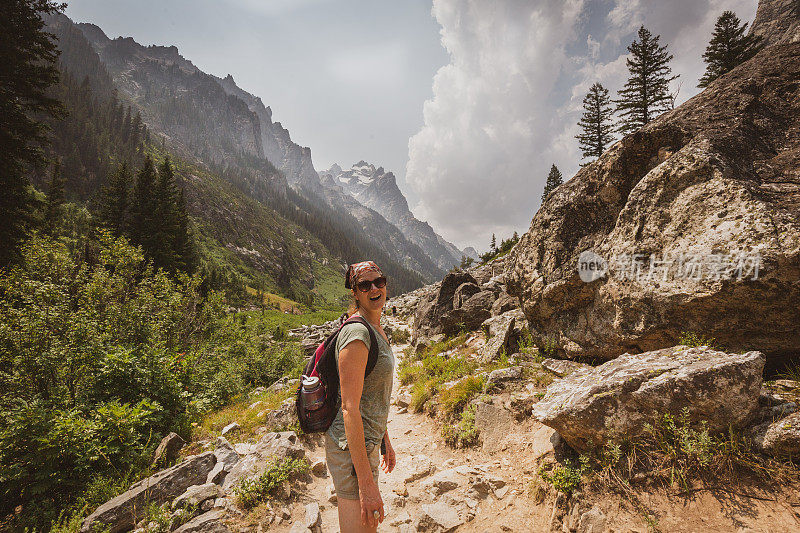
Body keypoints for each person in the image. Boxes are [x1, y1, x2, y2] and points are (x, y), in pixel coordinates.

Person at [325, 261, 396, 532]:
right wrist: (366, 485)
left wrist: (383, 437)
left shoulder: (375, 328)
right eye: (365, 285)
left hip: (365, 444)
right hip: (351, 451)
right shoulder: (357, 334)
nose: (374, 288)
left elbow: (373, 391)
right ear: (355, 292)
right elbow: (349, 408)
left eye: (379, 281)